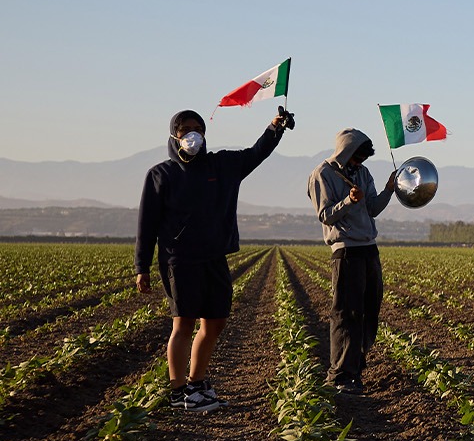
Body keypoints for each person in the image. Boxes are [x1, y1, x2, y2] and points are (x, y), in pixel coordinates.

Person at [136, 106, 293, 411]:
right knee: (182, 324)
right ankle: (178, 390)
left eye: (198, 130)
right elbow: (146, 224)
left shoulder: (221, 166)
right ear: (174, 136)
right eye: (185, 131)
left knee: (215, 323)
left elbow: (255, 154)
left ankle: (197, 382)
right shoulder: (160, 175)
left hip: (214, 257)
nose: (192, 136)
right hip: (178, 260)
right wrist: (141, 267)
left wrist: (276, 128)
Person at [306, 129, 398, 394]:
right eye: (356, 158)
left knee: (370, 311)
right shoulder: (322, 174)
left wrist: (388, 190)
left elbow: (372, 209)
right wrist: (348, 201)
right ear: (346, 151)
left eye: (362, 159)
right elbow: (325, 215)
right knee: (346, 314)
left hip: (369, 249)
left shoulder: (363, 174)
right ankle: (340, 376)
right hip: (346, 252)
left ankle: (355, 368)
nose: (358, 163)